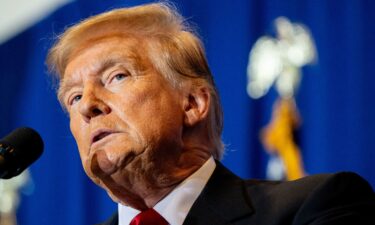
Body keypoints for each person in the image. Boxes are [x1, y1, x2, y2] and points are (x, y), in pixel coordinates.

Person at [46, 3, 375, 225]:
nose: (87, 105)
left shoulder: (314, 207)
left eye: (117, 76)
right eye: (73, 97)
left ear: (192, 104)